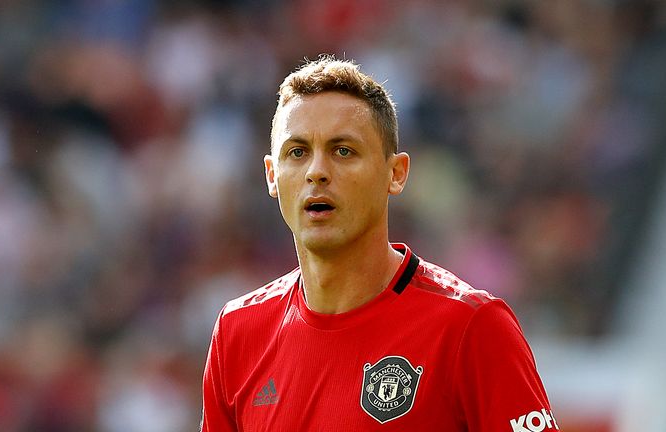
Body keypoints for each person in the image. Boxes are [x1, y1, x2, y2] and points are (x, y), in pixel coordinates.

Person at [200, 56, 559, 431]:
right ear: (273, 177)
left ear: (396, 173)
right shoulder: (237, 332)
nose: (317, 172)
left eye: (343, 151)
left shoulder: (471, 327)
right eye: (297, 152)